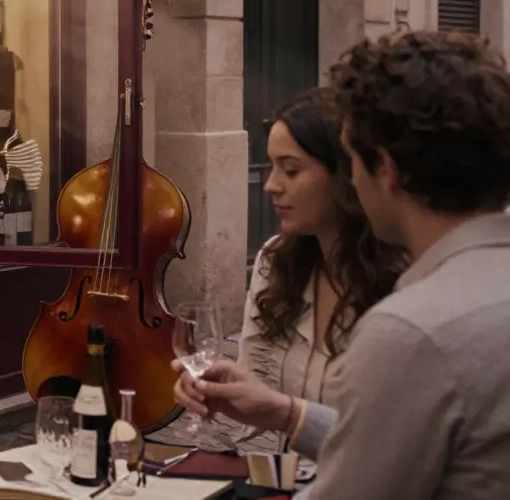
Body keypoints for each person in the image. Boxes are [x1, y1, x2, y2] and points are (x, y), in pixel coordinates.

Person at [173, 31, 510, 498]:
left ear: (385, 170)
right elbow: (388, 441)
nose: (272, 186)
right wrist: (287, 413)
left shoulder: (412, 329)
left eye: (353, 160)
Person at [240, 88, 407, 407]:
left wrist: (288, 415)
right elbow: (253, 386)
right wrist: (223, 389)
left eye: (290, 170)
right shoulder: (275, 261)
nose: (271, 185)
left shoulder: (402, 280)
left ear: (346, 174)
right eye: (271, 166)